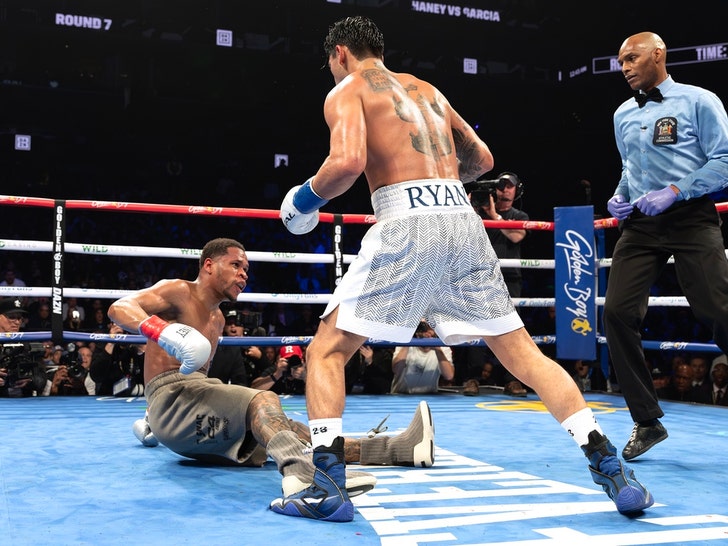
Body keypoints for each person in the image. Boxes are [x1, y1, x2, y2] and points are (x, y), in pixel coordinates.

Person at [275, 15, 652, 521]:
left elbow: (345, 163)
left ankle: (325, 487)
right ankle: (608, 463)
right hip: (463, 220)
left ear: (339, 52)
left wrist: (302, 200)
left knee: (326, 350)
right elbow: (482, 159)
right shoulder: (430, 90)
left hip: (407, 220)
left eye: (330, 63)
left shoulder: (347, 89)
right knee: (523, 356)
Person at [107, 238, 435, 507]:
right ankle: (304, 478)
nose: (243, 274)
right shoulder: (179, 291)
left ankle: (400, 449)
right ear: (208, 265)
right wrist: (162, 331)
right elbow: (120, 308)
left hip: (192, 409)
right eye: (235, 265)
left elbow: (203, 385)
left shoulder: (218, 320)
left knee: (291, 431)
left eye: (246, 269)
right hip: (172, 401)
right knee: (265, 400)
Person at [603, 32, 728, 461]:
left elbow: (724, 160)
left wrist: (677, 189)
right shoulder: (622, 113)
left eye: (632, 58)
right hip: (640, 223)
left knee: (716, 309)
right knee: (617, 313)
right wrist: (618, 195)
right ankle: (647, 420)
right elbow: (630, 168)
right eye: (620, 62)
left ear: (659, 55)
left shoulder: (699, 100)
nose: (625, 67)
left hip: (690, 216)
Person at [390, 320, 454, 394]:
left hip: (429, 396)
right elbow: (396, 370)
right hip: (401, 394)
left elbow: (449, 376)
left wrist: (437, 348)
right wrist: (408, 341)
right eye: (423, 328)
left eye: (430, 327)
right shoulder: (405, 344)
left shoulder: (442, 347)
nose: (427, 332)